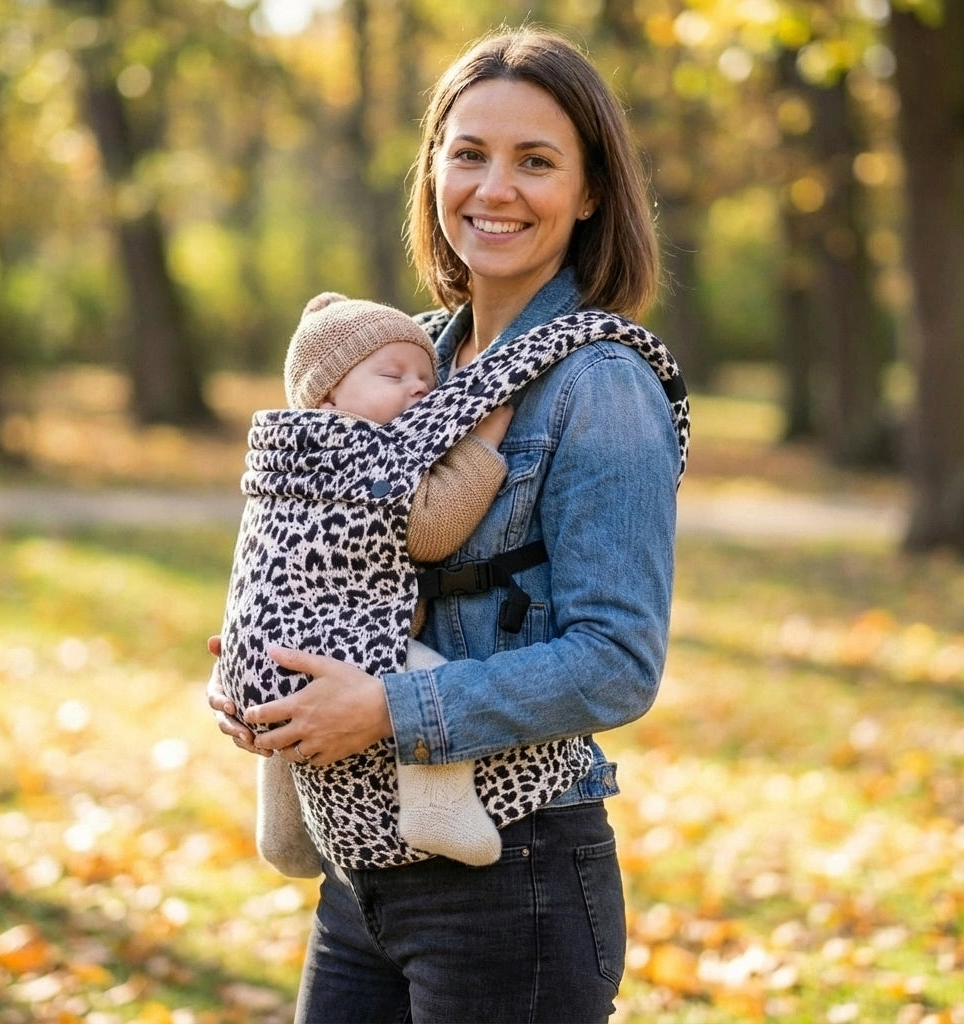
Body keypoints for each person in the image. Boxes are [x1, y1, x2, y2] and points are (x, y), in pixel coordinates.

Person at [208, 25, 689, 1024]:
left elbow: (616, 661)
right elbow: (318, 531)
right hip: (361, 865)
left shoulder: (602, 384)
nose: (493, 188)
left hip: (511, 874)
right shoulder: (403, 360)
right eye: (468, 153)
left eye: (536, 161)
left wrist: (385, 709)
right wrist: (268, 667)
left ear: (591, 190)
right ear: (433, 169)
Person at [224, 290, 511, 874]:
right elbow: (431, 528)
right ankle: (438, 808)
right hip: (333, 636)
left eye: (427, 377)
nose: (418, 389)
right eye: (392, 374)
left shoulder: (289, 448)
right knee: (430, 683)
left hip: (258, 644)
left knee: (289, 706)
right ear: (329, 394)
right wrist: (481, 446)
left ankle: (283, 832)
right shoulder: (358, 449)